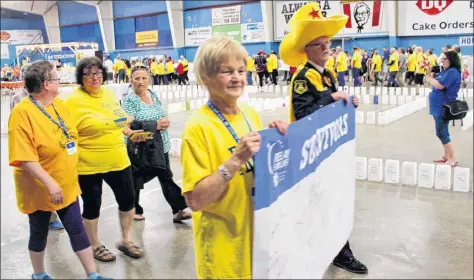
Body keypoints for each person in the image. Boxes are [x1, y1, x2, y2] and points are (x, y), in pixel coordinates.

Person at [180, 35, 288, 279]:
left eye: (241, 70)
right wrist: (234, 160)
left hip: (254, 232)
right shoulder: (197, 127)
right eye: (226, 71)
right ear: (206, 77)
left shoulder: (249, 113)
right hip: (222, 245)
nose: (237, 77)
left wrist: (277, 140)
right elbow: (195, 201)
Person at [280, 2, 367, 274]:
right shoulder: (303, 78)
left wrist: (347, 102)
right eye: (321, 43)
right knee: (323, 202)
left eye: (328, 42)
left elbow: (330, 107)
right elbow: (305, 113)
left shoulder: (328, 73)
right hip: (309, 150)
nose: (328, 47)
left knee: (327, 201)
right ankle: (340, 252)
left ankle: (328, 247)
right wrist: (333, 97)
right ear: (307, 50)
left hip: (328, 147)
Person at [8, 60, 108, 280]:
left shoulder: (59, 104)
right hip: (39, 188)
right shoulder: (22, 113)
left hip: (66, 183)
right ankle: (39, 273)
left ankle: (93, 274)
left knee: (76, 228)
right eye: (55, 77)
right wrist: (50, 183)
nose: (59, 80)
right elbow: (25, 157)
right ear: (46, 84)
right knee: (39, 232)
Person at [63, 56, 142, 262]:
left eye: (97, 73)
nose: (94, 77)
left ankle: (125, 239)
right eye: (88, 74)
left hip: (118, 158)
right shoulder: (71, 101)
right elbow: (66, 134)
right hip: (88, 164)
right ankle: (95, 244)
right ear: (81, 77)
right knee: (92, 205)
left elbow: (117, 121)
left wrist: (130, 132)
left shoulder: (108, 94)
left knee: (128, 200)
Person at [122, 65, 192, 222]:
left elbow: (161, 113)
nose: (141, 82)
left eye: (144, 78)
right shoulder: (129, 101)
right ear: (130, 80)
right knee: (138, 177)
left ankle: (177, 209)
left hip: (161, 144)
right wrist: (156, 125)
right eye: (137, 78)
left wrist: (164, 121)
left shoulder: (153, 94)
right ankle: (135, 208)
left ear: (149, 79)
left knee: (165, 175)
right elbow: (129, 125)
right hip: (140, 147)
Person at [9, 86, 65, 231]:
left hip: (50, 146)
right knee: (38, 185)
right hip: (31, 148)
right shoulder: (18, 100)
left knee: (54, 180)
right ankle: (47, 218)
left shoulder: (47, 96)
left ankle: (55, 211)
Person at [426, 51, 462, 167]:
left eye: (444, 59)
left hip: (443, 106)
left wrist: (428, 77)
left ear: (451, 60)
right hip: (437, 106)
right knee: (443, 131)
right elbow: (436, 82)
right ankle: (446, 156)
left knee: (441, 132)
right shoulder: (446, 71)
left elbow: (440, 85)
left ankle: (453, 157)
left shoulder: (452, 72)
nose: (442, 61)